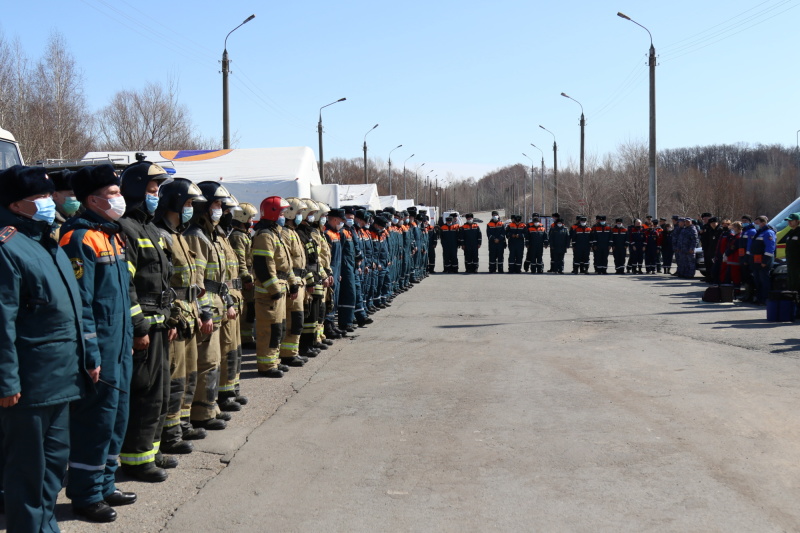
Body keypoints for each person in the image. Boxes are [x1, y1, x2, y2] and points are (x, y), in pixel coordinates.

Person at [0, 165, 95, 533]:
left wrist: (88, 360)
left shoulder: (47, 242)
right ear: (15, 205)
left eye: (47, 195)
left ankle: (45, 526)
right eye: (38, 198)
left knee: (54, 464)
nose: (48, 202)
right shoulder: (9, 248)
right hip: (30, 384)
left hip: (62, 377)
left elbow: (73, 309)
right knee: (27, 470)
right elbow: (2, 322)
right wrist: (7, 381)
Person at [60, 164, 135, 522]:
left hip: (120, 345)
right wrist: (91, 353)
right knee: (94, 421)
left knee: (115, 418)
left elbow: (122, 294)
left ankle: (105, 483)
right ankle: (86, 494)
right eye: (113, 194)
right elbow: (81, 305)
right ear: (92, 199)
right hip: (100, 348)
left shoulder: (111, 234)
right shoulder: (79, 238)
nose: (119, 199)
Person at [117, 157, 175, 480]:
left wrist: (167, 318)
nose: (156, 195)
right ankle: (137, 460)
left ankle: (151, 451)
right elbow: (127, 286)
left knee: (160, 393)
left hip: (159, 325)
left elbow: (164, 279)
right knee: (144, 392)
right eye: (152, 189)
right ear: (139, 190)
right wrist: (140, 327)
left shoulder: (150, 228)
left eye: (158, 190)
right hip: (144, 328)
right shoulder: (126, 228)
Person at [153, 178, 208, 454]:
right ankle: (169, 432)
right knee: (173, 379)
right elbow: (163, 283)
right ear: (174, 203)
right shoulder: (161, 235)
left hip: (188, 315)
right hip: (175, 318)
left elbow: (190, 283)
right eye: (187, 203)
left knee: (188, 374)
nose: (190, 209)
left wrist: (196, 311)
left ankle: (182, 423)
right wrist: (172, 318)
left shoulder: (179, 235)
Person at [182, 182, 231, 431]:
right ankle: (201, 413)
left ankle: (211, 407)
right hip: (207, 306)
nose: (220, 210)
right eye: (216, 204)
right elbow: (197, 279)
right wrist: (204, 311)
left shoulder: (210, 234)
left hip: (217, 305)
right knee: (206, 362)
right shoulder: (196, 236)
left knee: (214, 361)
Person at [253, 196, 298, 377]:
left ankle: (274, 361)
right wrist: (274, 290)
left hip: (279, 289)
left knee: (278, 328)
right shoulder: (264, 235)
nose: (283, 215)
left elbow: (285, 265)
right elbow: (264, 266)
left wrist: (291, 284)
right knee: (268, 330)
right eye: (281, 212)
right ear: (272, 213)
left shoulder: (274, 233)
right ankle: (266, 366)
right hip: (268, 294)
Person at [229, 203, 257, 350]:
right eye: (251, 217)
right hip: (243, 281)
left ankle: (246, 337)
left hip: (248, 279)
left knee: (249, 310)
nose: (252, 220)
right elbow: (241, 260)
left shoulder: (244, 235)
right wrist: (246, 278)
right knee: (246, 310)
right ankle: (244, 339)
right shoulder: (238, 236)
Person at [49, 168, 80, 241]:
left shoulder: (84, 217)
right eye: (72, 194)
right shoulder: (49, 222)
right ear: (55, 195)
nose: (76, 198)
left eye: (77, 194)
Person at [750, 215, 776, 305]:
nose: (756, 225)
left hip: (763, 261)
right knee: (757, 280)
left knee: (764, 280)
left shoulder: (768, 233)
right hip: (757, 260)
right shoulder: (759, 232)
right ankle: (759, 298)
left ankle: (765, 299)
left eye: (757, 223)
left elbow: (770, 248)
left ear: (763, 223)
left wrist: (765, 261)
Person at [780, 213, 800, 292]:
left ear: (797, 221)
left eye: (791, 220)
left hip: (798, 263)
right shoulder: (790, 233)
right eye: (788, 220)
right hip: (790, 262)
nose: (789, 222)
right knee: (791, 282)